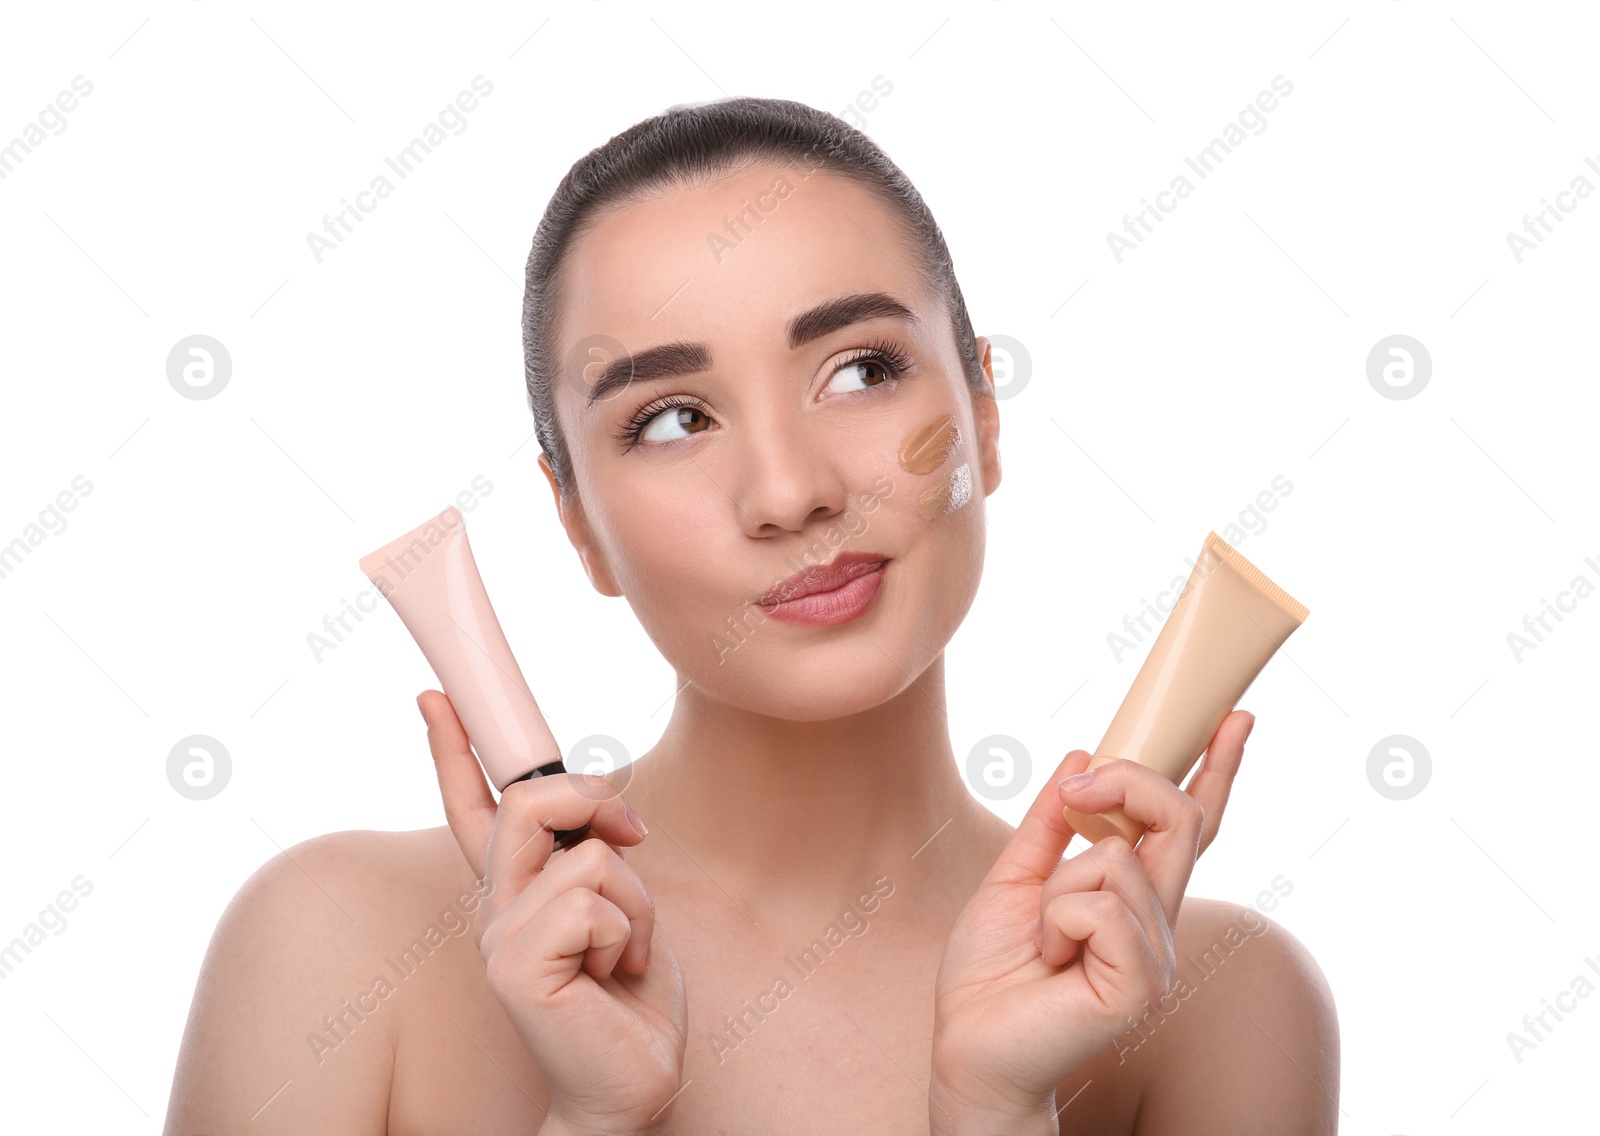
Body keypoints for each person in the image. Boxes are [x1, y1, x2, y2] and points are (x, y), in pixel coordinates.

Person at [164, 96, 1337, 1135]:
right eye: (673, 419)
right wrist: (592, 1115)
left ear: (982, 412)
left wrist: (994, 1110)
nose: (791, 493)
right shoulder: (335, 950)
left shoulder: (1219, 1005)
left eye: (861, 369)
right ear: (575, 521)